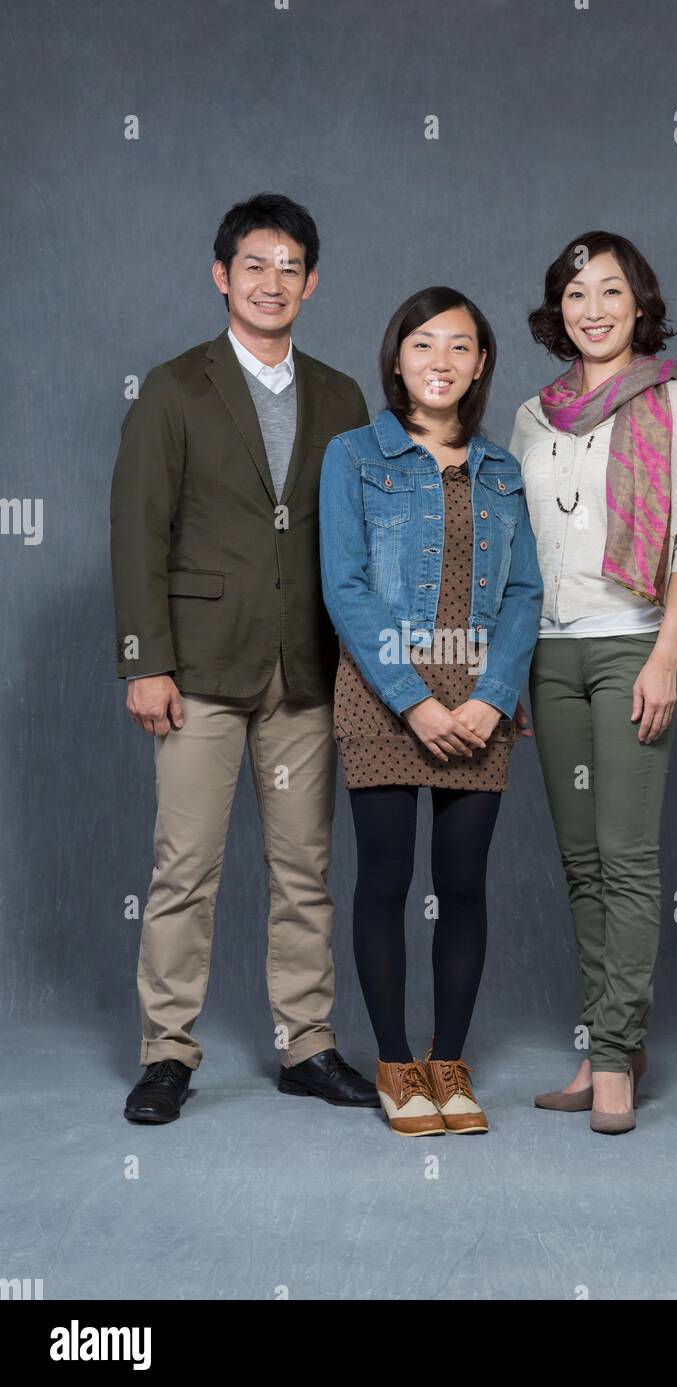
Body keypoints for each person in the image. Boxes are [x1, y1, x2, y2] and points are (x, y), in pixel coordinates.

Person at [111, 192, 378, 1123]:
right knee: (184, 866)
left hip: (305, 667)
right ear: (222, 275)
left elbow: (357, 536)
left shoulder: (342, 395)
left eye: (290, 266)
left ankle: (307, 1045)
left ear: (313, 282)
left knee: (305, 869)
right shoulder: (174, 387)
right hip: (197, 670)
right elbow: (139, 530)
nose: (273, 282)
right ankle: (167, 1052)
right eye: (254, 264)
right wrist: (145, 660)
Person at [319, 286, 543, 1136]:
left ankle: (449, 1062)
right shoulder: (355, 457)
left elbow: (524, 592)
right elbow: (344, 587)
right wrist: (413, 701)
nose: (440, 362)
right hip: (383, 696)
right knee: (385, 880)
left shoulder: (503, 470)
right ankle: (394, 1063)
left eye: (459, 347)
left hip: (480, 705)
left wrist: (491, 700)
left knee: (463, 884)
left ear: (481, 363)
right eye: (423, 344)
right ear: (397, 357)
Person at [510, 231, 677, 1134]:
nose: (592, 309)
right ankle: (611, 1041)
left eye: (609, 292)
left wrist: (666, 657)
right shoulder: (531, 415)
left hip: (633, 644)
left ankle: (612, 1064)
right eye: (575, 294)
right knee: (582, 860)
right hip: (549, 655)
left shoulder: (674, 404)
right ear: (559, 311)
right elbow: (516, 553)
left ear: (640, 305)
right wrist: (510, 667)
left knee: (628, 859)